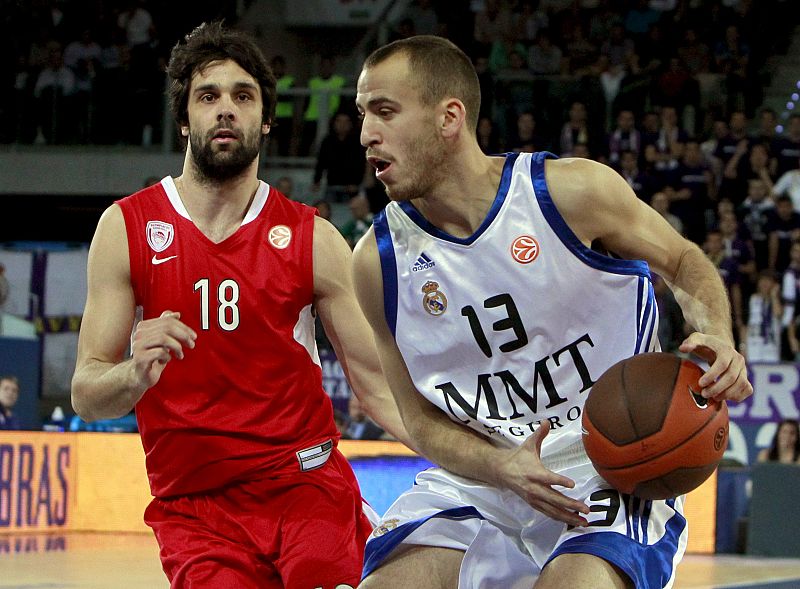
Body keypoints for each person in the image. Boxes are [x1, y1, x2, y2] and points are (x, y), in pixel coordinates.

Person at [352, 35, 753, 589]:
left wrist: (717, 335)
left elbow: (683, 261)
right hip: (484, 479)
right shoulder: (377, 263)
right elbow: (420, 420)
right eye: (363, 114)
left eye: (385, 111)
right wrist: (498, 466)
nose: (366, 134)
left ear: (449, 117)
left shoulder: (569, 193)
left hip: (609, 465)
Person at [70, 22, 410, 589]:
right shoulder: (125, 228)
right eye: (208, 96)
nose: (225, 109)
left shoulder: (313, 238)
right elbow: (86, 394)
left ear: (266, 120)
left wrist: (483, 462)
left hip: (304, 489)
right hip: (194, 507)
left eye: (243, 96)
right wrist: (133, 373)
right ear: (184, 119)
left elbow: (379, 389)